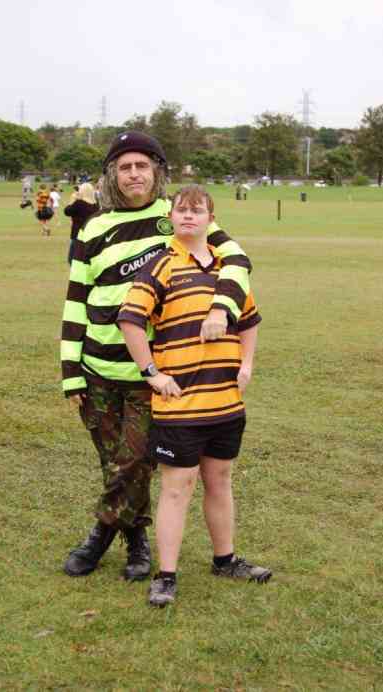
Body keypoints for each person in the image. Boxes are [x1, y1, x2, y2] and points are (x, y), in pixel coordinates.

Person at [60, 131, 254, 582]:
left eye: (142, 166)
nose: (134, 174)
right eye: (124, 167)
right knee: (116, 465)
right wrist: (71, 370)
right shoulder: (93, 227)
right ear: (113, 175)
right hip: (97, 370)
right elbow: (74, 301)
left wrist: (223, 307)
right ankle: (137, 542)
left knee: (134, 462)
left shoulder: (177, 217)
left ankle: (100, 536)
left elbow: (238, 260)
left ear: (156, 172)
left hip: (156, 374)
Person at [118, 185, 272, 607]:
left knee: (219, 481)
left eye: (197, 210)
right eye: (181, 210)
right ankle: (166, 576)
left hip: (225, 402)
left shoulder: (230, 268)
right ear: (171, 217)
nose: (188, 217)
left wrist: (247, 363)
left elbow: (250, 318)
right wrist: (151, 373)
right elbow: (130, 321)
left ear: (210, 218)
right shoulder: (160, 265)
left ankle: (226, 560)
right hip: (179, 406)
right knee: (177, 487)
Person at [64, 182, 99, 264]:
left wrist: (72, 200)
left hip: (78, 235)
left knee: (72, 259)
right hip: (91, 235)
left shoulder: (79, 203)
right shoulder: (96, 205)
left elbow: (67, 211)